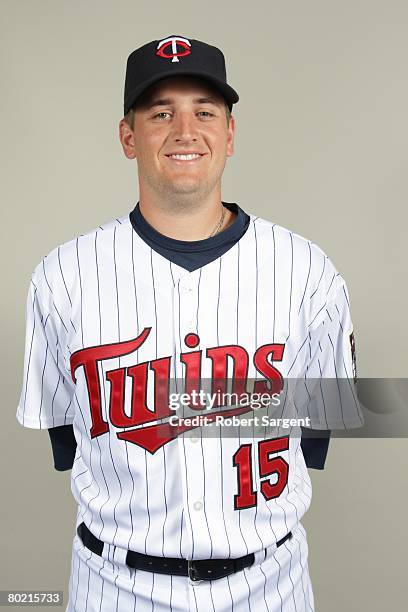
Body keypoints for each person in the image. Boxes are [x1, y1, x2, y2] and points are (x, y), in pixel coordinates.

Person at [16, 34, 363, 612]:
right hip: (114, 587)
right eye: (160, 113)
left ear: (229, 134)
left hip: (270, 586)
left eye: (205, 112)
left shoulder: (307, 270)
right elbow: (65, 437)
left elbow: (317, 430)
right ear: (128, 137)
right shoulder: (62, 276)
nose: (184, 130)